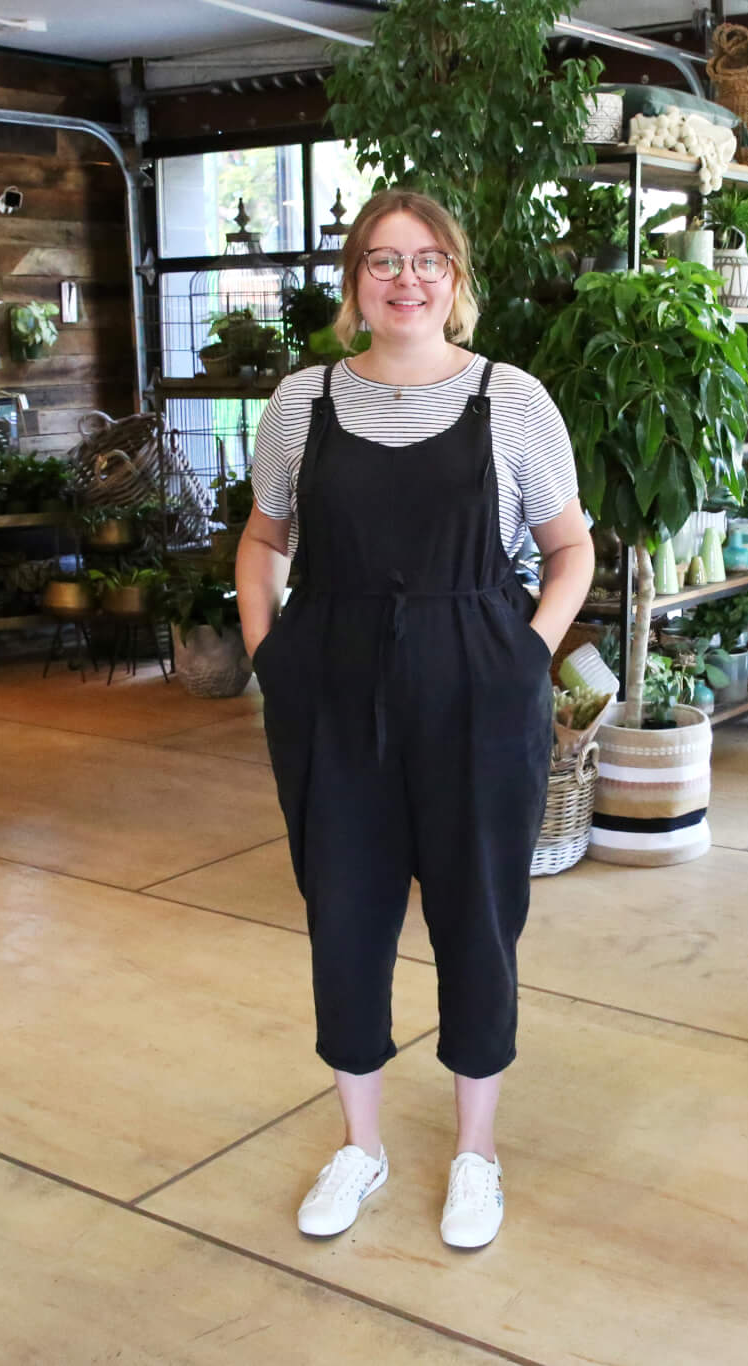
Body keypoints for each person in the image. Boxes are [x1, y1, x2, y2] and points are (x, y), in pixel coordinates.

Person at [236, 188, 594, 1250]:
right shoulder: (300, 403)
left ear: (455, 281)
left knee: (476, 921)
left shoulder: (512, 399)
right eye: (382, 260)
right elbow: (262, 540)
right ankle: (362, 1145)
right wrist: (271, 656)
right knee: (342, 914)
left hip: (477, 683)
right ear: (354, 283)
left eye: (427, 259)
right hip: (332, 684)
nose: (404, 278)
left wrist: (524, 654)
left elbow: (569, 549)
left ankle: (474, 1156)